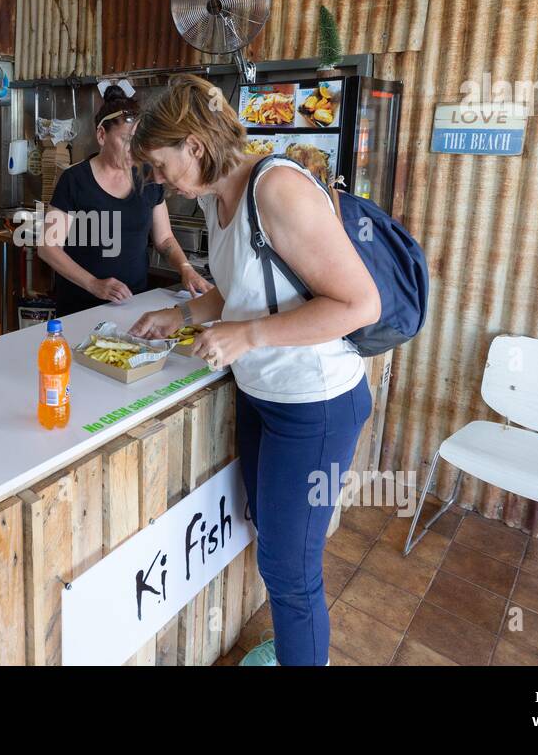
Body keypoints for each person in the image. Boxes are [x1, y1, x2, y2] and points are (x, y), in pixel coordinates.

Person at [127, 75, 380, 666]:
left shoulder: (277, 188)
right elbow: (246, 292)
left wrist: (248, 336)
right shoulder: (219, 201)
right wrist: (180, 313)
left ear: (193, 144)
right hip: (266, 398)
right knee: (269, 531)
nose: (159, 181)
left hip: (314, 404)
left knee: (290, 575)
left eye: (162, 165)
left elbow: (358, 304)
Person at [37, 85, 213, 317]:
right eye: (126, 140)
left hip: (134, 304)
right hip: (79, 308)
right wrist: (94, 284)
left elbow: (164, 238)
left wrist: (185, 268)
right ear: (101, 135)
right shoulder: (75, 180)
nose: (135, 149)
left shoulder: (150, 177)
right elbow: (48, 247)